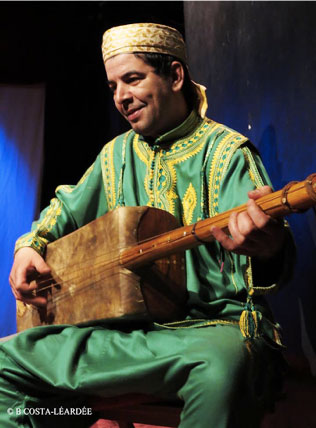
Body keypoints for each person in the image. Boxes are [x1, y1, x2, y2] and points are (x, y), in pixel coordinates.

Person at [1, 23, 294, 428]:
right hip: (131, 337)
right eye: (113, 86)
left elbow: (269, 260)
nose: (121, 96)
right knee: (6, 361)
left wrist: (267, 247)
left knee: (219, 367)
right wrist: (28, 246)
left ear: (175, 76)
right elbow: (63, 208)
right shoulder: (115, 155)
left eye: (133, 79)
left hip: (209, 333)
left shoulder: (227, 153)